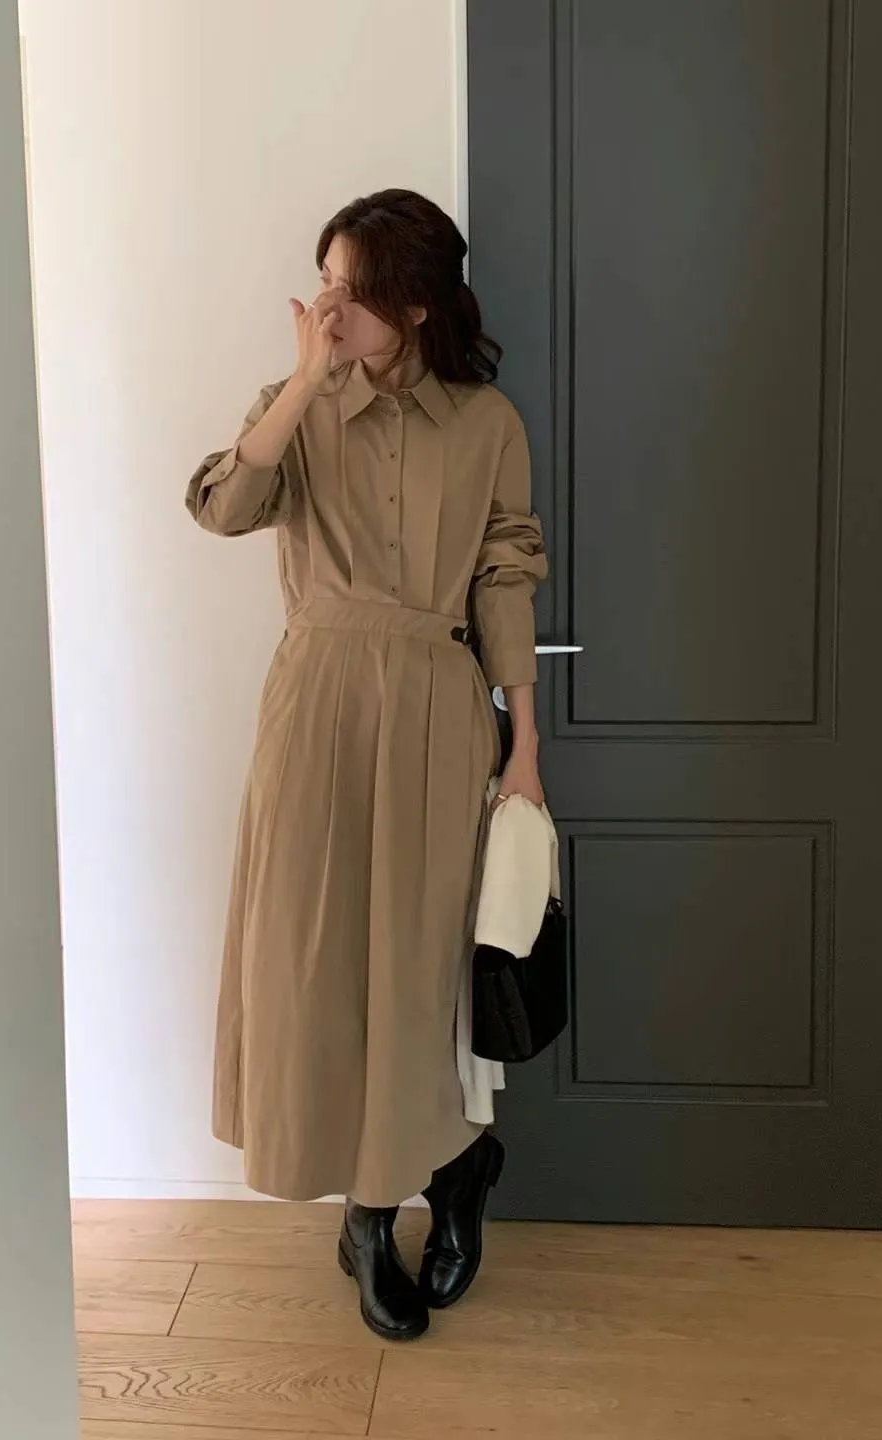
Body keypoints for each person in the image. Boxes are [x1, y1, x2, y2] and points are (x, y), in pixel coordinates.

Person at [186, 188, 547, 1341]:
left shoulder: (486, 423)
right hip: (317, 708)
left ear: (418, 303)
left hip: (438, 705)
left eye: (354, 291)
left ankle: (438, 1180)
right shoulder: (297, 406)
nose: (329, 309)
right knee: (317, 957)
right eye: (324, 284)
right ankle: (361, 1213)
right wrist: (303, 382)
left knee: (418, 967)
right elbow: (220, 508)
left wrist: (525, 747)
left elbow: (504, 579)